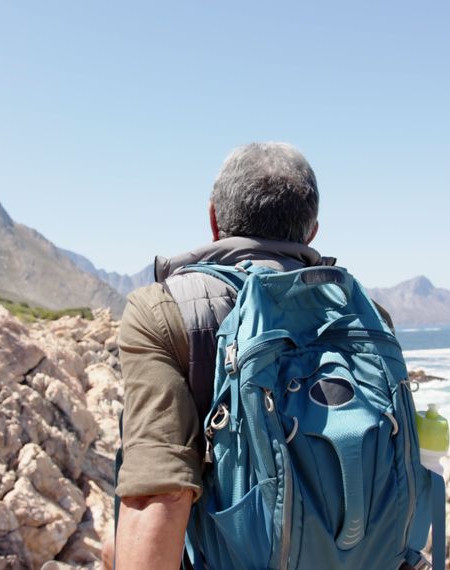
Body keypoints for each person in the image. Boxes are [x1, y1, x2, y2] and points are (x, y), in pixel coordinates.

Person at [113, 142, 394, 569]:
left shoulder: (165, 311)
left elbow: (160, 493)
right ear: (312, 231)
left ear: (213, 219)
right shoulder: (367, 315)